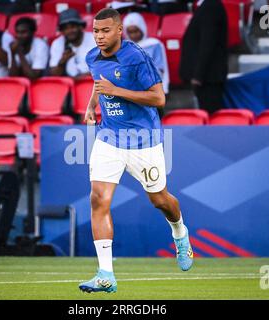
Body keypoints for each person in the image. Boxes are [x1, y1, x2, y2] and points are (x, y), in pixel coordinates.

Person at [79, 8, 194, 294]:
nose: (99, 36)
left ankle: (180, 233)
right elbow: (99, 81)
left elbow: (158, 97)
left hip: (143, 140)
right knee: (98, 198)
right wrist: (92, 103)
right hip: (109, 138)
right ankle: (106, 274)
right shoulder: (91, 57)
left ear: (120, 30)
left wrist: (117, 91)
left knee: (160, 200)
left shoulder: (137, 57)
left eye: (105, 31)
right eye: (95, 31)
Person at [179, 0, 228, 114]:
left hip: (208, 77)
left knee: (211, 117)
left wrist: (198, 75)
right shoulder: (208, 5)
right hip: (207, 77)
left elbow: (208, 43)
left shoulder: (211, 6)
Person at [123, 12, 170, 94]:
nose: (134, 35)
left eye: (136, 31)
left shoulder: (154, 44)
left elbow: (161, 67)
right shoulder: (125, 47)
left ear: (142, 28)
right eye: (130, 32)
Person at [49, 9, 96, 78]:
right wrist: (62, 61)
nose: (69, 31)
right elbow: (54, 74)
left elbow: (106, 68)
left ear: (80, 26)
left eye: (73, 27)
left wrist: (81, 78)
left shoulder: (95, 40)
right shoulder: (57, 43)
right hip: (69, 84)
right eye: (65, 28)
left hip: (94, 82)